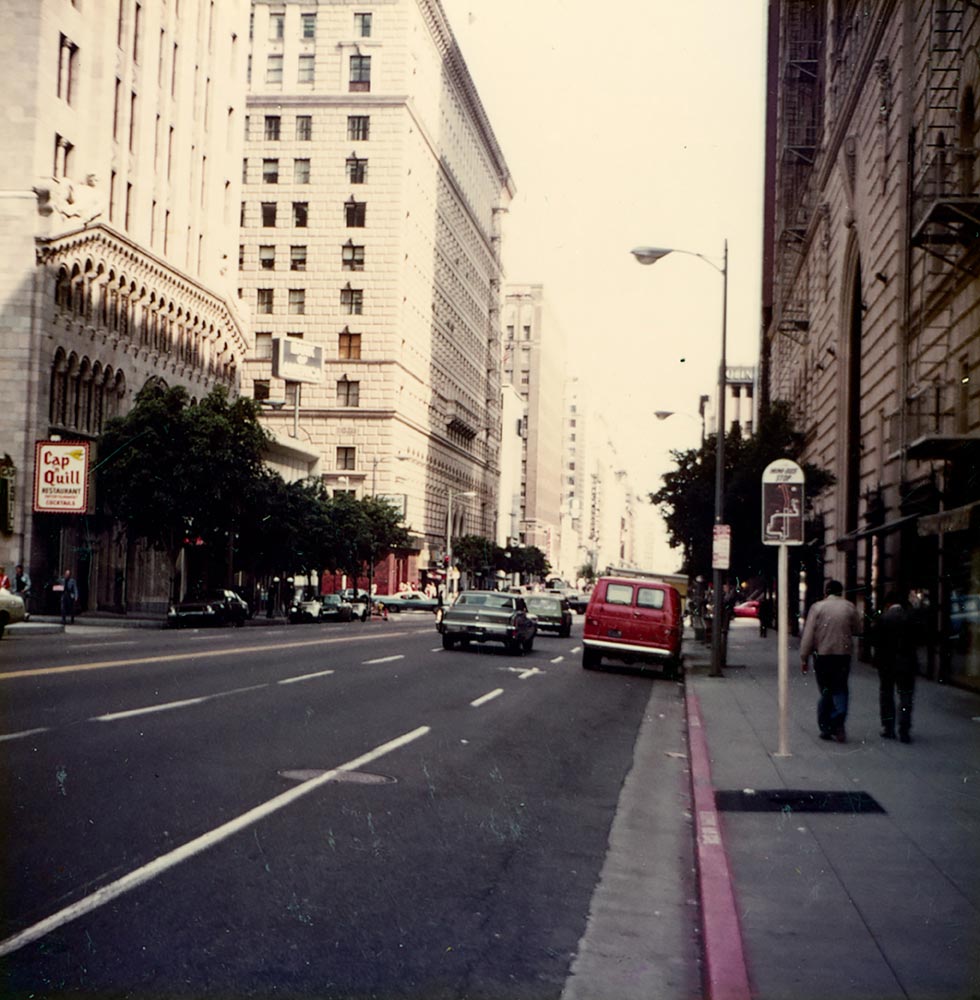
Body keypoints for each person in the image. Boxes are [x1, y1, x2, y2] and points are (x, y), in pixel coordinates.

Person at [800, 579, 863, 742]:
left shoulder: (817, 607)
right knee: (841, 688)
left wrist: (804, 657)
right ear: (841, 592)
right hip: (843, 655)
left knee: (826, 690)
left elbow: (808, 635)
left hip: (823, 656)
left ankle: (826, 727)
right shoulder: (849, 607)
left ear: (826, 591)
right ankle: (838, 721)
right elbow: (858, 629)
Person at [872, 591, 917, 743]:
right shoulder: (910, 618)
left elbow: (875, 641)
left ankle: (888, 727)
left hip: (886, 663)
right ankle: (904, 729)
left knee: (886, 694)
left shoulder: (882, 618)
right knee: (906, 696)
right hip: (907, 662)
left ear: (888, 604)